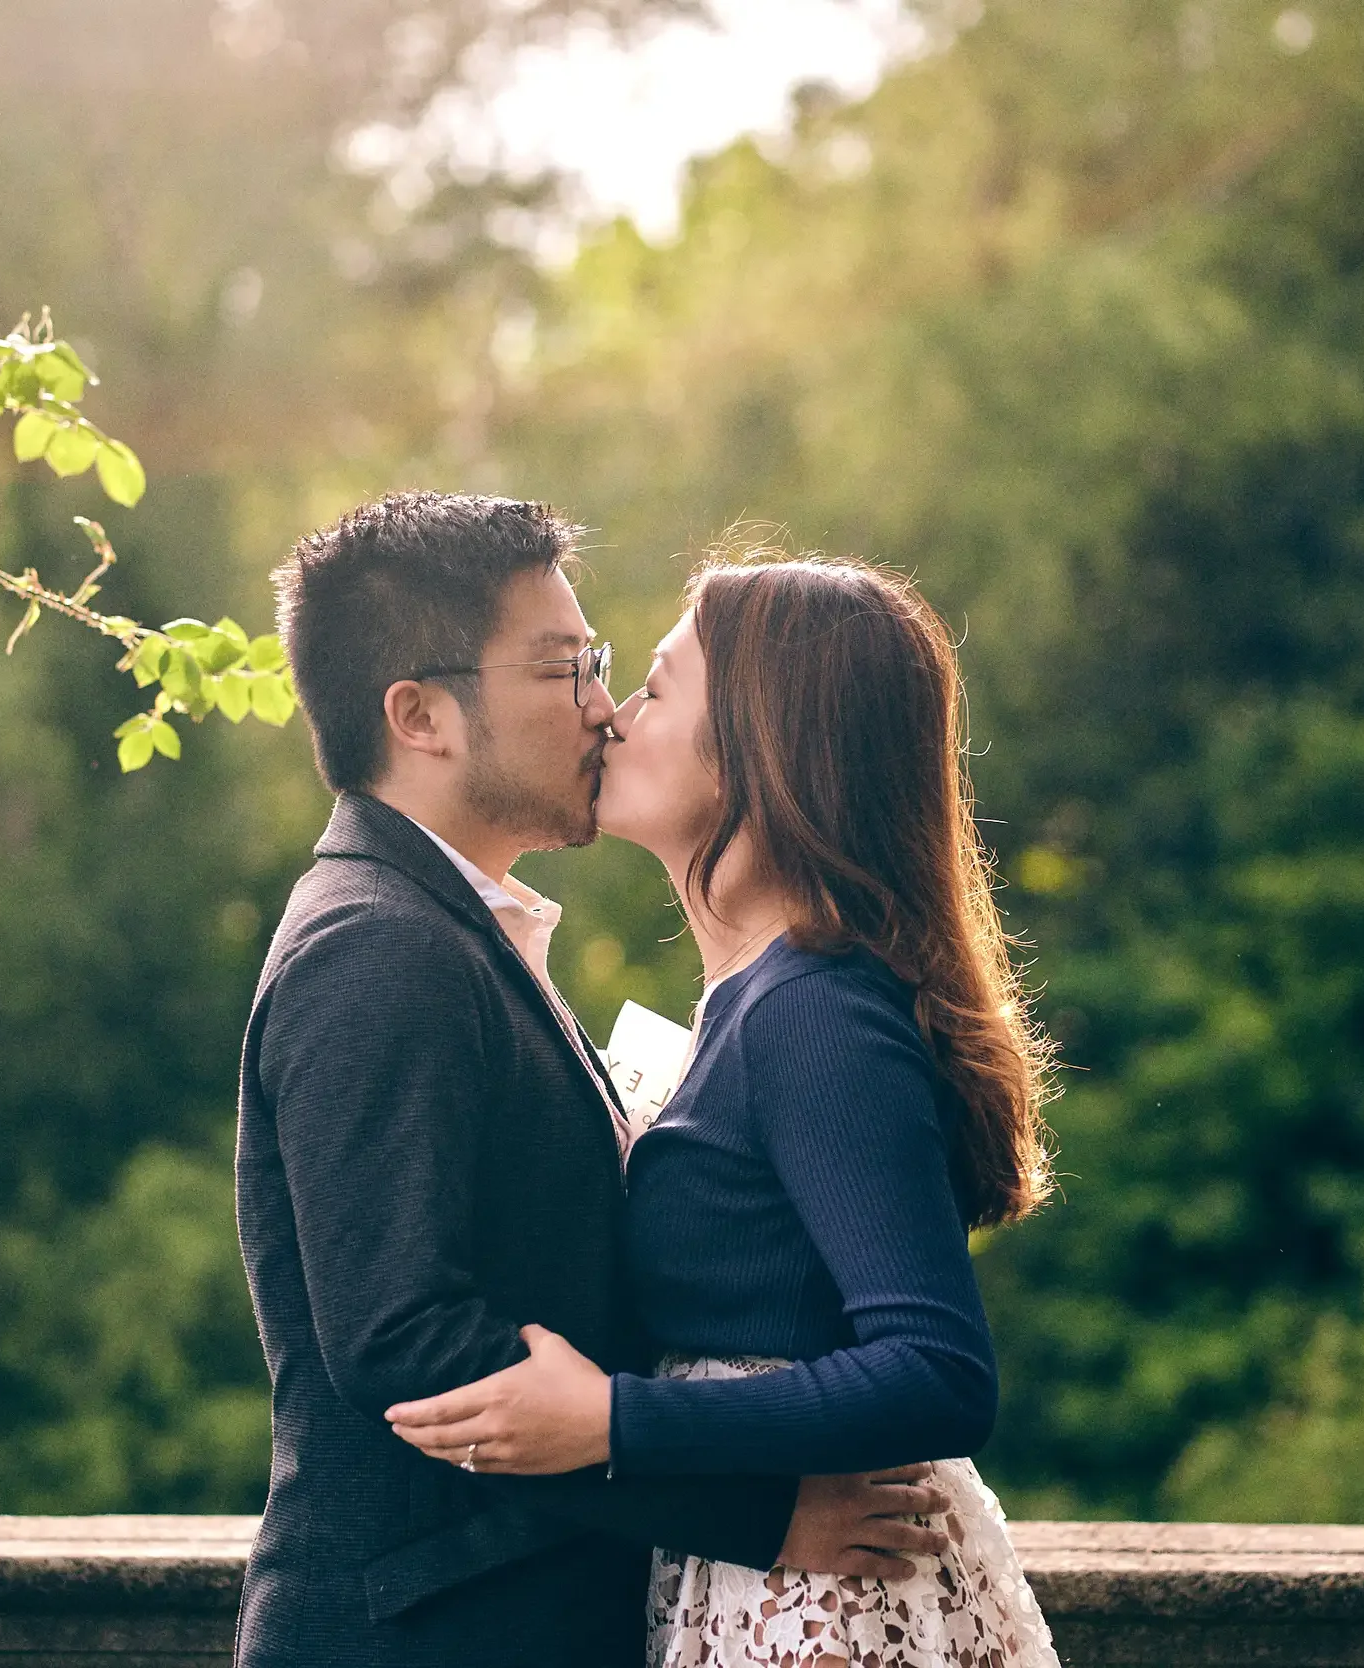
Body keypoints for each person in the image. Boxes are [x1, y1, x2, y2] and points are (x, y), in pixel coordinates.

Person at [235, 496, 958, 1668]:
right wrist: (748, 1514)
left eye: (601, 666)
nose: (599, 707)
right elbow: (404, 1347)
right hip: (429, 1637)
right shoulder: (375, 945)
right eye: (560, 668)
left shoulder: (451, 929)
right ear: (420, 716)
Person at [385, 551, 1064, 1667]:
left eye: (655, 689)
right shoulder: (755, 997)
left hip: (833, 1607)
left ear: (762, 740)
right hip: (769, 1579)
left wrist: (609, 1422)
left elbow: (937, 1367)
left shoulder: (811, 1008)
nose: (612, 717)